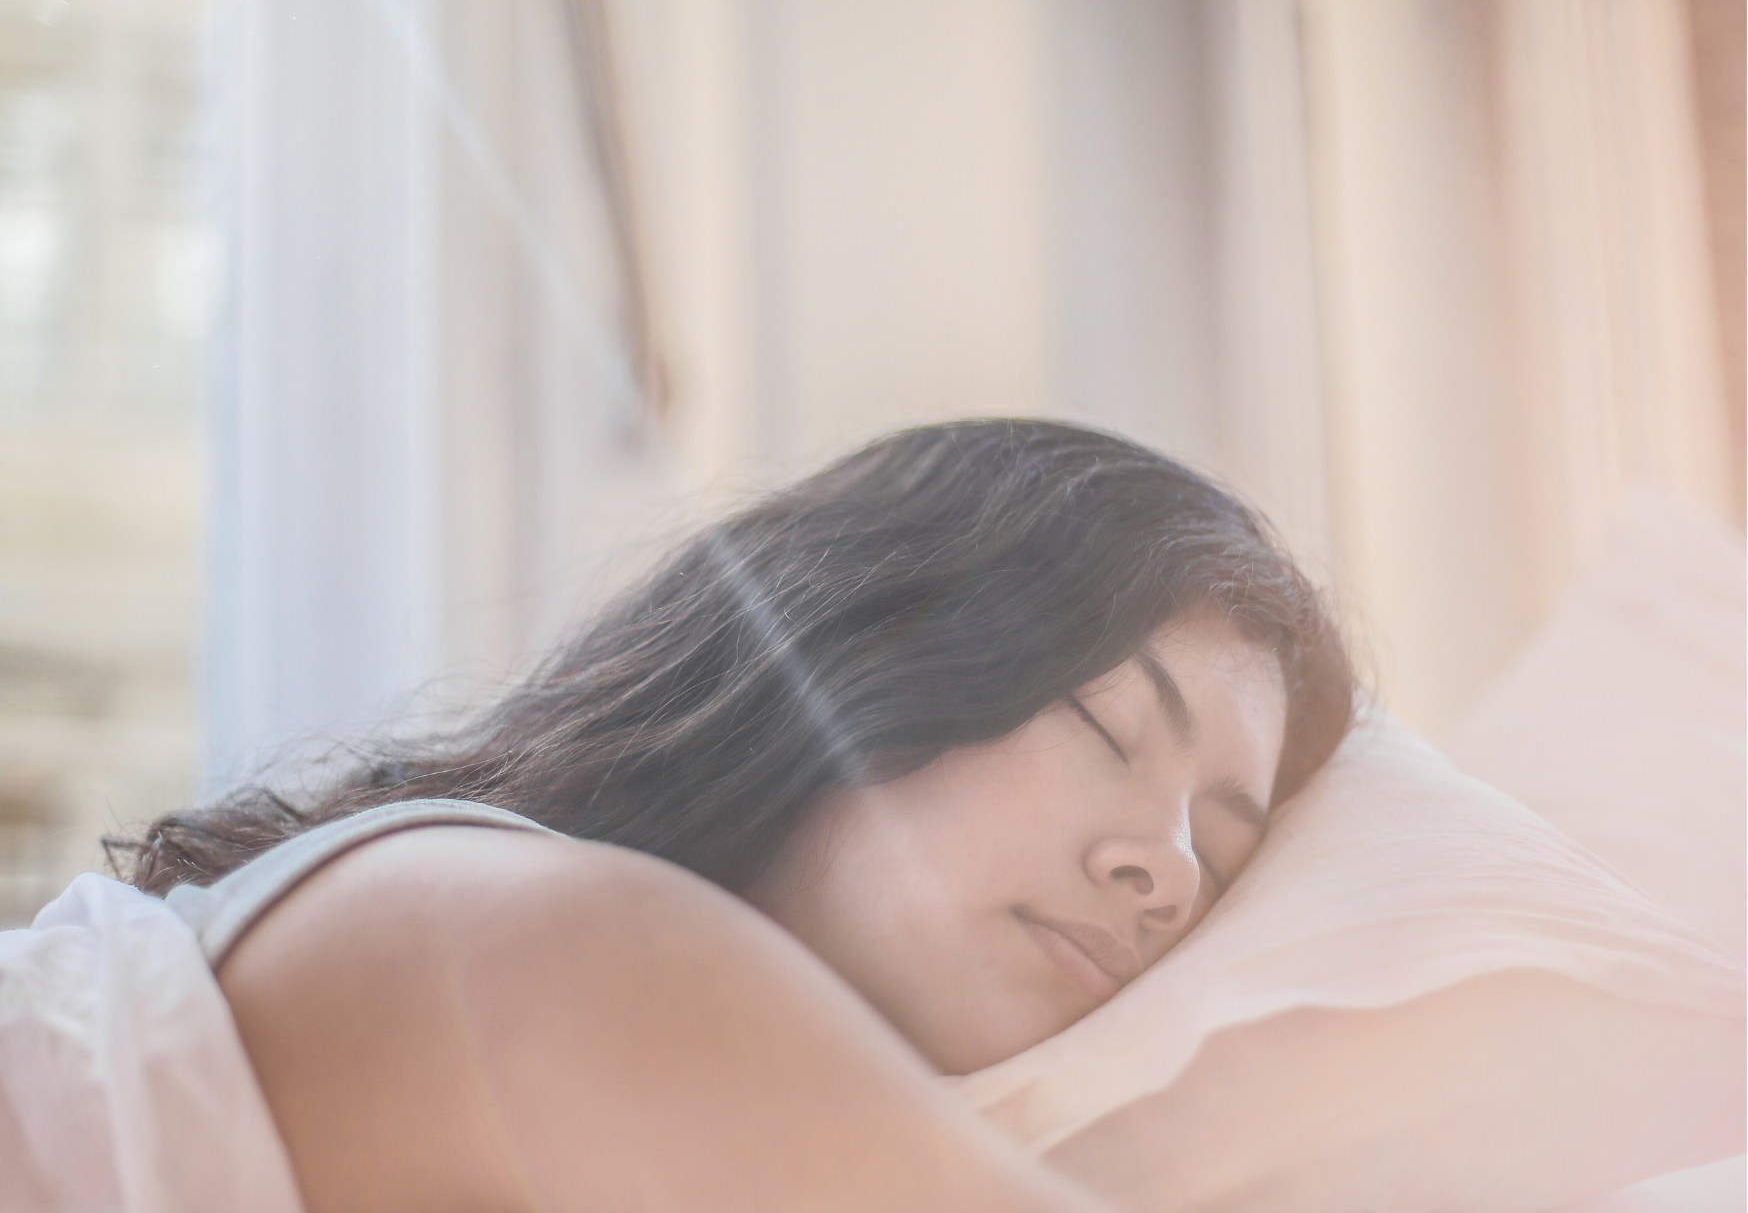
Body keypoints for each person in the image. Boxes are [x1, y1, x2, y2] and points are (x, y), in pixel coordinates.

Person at [115, 418, 1354, 1212]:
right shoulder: (557, 941)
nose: (1170, 871)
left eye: (1224, 848)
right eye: (1105, 728)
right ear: (862, 646)